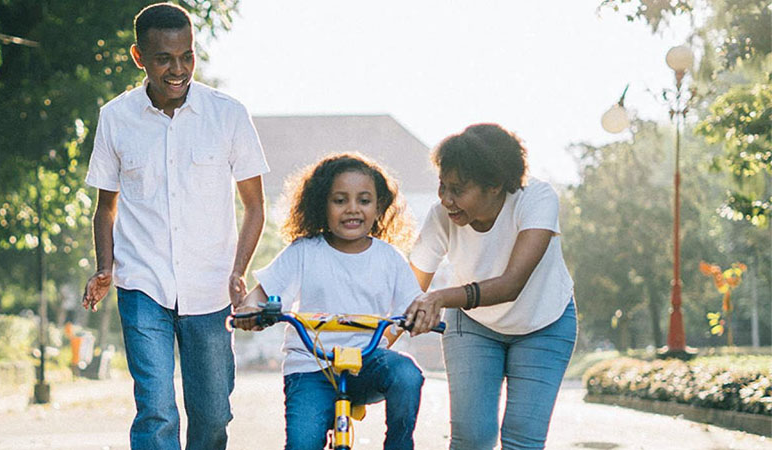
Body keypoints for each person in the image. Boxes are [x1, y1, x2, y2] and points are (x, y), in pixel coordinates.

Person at [80, 3, 269, 449]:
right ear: (139, 57)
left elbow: (255, 207)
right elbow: (106, 208)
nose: (178, 68)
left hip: (210, 289)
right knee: (157, 411)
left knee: (213, 416)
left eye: (187, 55)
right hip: (143, 285)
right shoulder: (115, 118)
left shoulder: (228, 114)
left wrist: (239, 271)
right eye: (164, 58)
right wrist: (105, 267)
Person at [235, 153, 427, 450]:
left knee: (407, 374)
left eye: (364, 201)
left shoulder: (389, 258)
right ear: (321, 205)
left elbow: (414, 306)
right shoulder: (304, 251)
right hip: (311, 365)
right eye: (340, 200)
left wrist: (421, 316)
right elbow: (261, 294)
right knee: (303, 443)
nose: (352, 209)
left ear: (379, 207)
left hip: (368, 362)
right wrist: (250, 309)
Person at [404, 123, 577, 449]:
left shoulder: (536, 199)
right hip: (473, 325)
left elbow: (511, 285)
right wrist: (368, 346)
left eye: (458, 189)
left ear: (495, 185)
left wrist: (439, 298)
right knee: (472, 439)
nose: (447, 199)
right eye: (442, 186)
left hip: (544, 324)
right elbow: (408, 292)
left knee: (522, 440)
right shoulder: (440, 216)